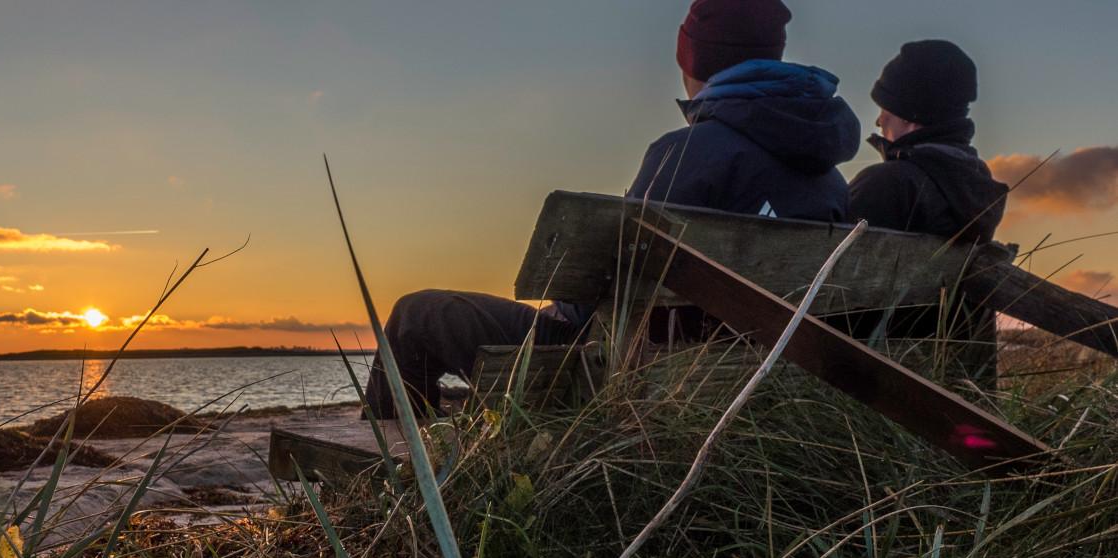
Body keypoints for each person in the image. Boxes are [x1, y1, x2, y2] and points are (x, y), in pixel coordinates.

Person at [362, 0, 862, 419]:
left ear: (692, 60)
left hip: (622, 370)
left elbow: (598, 298)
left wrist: (565, 306)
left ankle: (394, 480)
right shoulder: (831, 179)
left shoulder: (690, 151)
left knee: (415, 314)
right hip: (756, 385)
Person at [847, 40, 1008, 242]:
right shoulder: (977, 185)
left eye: (884, 108)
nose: (879, 121)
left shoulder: (886, 183)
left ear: (907, 113)